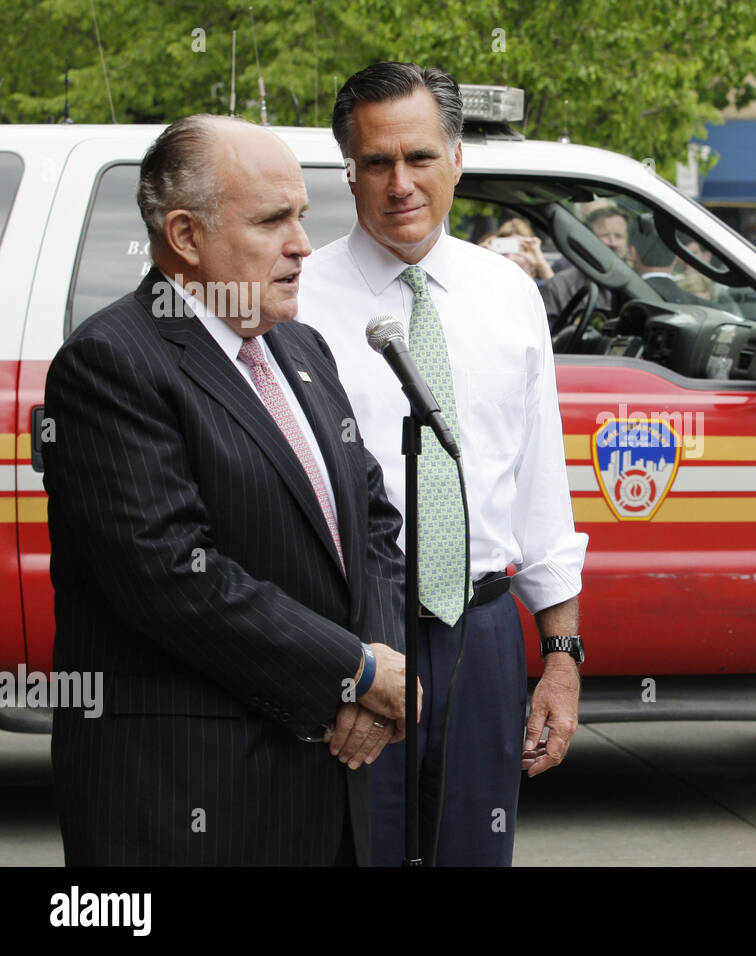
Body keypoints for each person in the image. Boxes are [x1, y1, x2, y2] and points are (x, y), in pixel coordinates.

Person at [42, 115, 410, 866]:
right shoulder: (111, 363)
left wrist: (378, 666)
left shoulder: (299, 348)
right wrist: (359, 672)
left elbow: (370, 524)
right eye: (274, 220)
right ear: (185, 236)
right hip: (187, 801)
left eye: (302, 217)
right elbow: (171, 577)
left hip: (326, 789)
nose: (303, 244)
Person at [296, 61, 587, 868]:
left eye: (420, 158)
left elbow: (540, 494)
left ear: (457, 158)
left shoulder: (509, 295)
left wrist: (560, 658)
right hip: (348, 635)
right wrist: (337, 662)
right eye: (378, 162)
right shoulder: (294, 303)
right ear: (347, 168)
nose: (401, 184)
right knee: (360, 848)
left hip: (482, 633)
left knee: (472, 852)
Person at [541, 205, 627, 326]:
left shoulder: (635, 286)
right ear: (588, 240)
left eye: (619, 236)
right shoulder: (560, 286)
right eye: (605, 235)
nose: (613, 243)